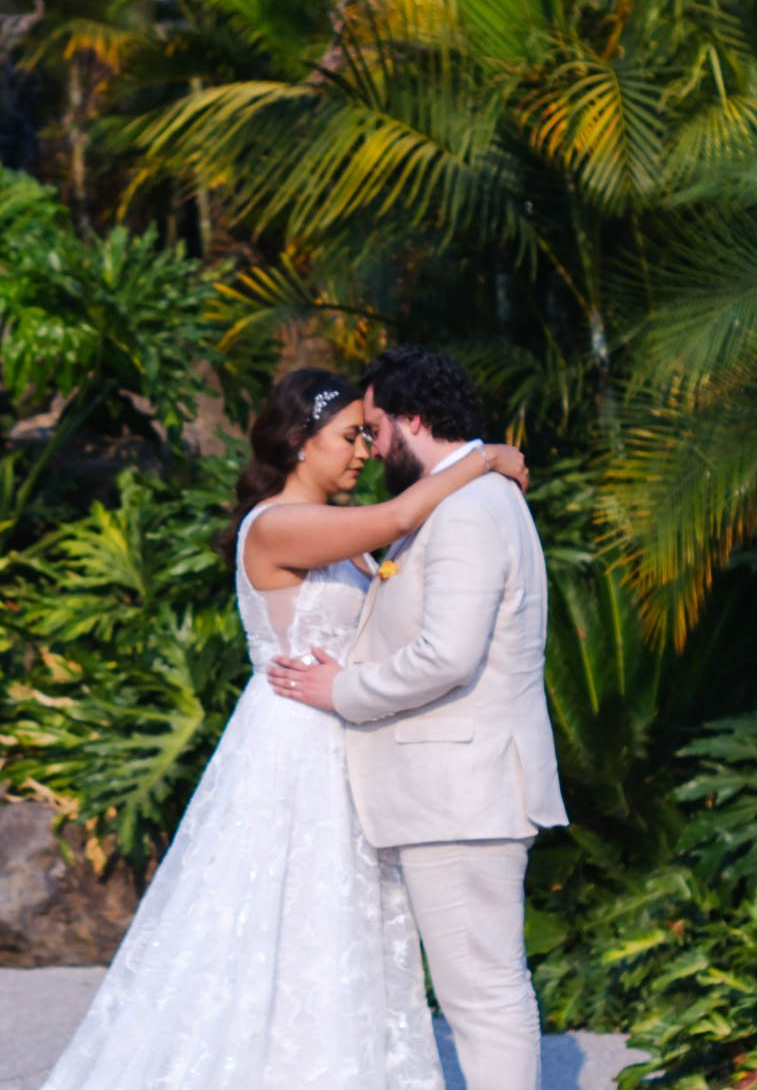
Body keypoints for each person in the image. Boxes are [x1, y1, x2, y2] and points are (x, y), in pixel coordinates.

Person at [40, 366, 527, 1089]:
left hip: (347, 744)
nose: (364, 450)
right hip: (293, 751)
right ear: (301, 441)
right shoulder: (276, 523)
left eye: (369, 434)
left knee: (341, 936)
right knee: (289, 927)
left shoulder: (338, 532)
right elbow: (399, 518)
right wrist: (483, 457)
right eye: (349, 435)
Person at [271, 346, 568, 1090]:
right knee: (483, 986)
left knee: (483, 992)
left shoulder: (468, 508)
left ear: (412, 419)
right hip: (452, 791)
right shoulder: (463, 497)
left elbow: (445, 655)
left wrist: (343, 690)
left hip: (462, 792)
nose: (371, 449)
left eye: (374, 428)